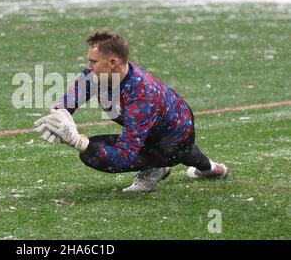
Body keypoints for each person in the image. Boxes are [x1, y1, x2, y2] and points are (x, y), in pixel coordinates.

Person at [34, 31, 229, 193]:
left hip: (173, 139)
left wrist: (78, 142)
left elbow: (124, 157)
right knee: (185, 153)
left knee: (91, 153)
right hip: (167, 129)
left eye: (93, 61)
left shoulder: (141, 95)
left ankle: (158, 167)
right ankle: (212, 169)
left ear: (112, 63)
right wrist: (59, 114)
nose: (88, 67)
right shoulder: (96, 75)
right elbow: (70, 99)